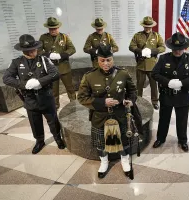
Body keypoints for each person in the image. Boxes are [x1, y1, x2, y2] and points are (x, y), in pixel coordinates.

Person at [77, 44, 137, 178]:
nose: (106, 63)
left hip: (120, 114)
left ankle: (125, 161)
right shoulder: (89, 76)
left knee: (123, 140)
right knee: (101, 143)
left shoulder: (123, 73)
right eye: (102, 60)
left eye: (109, 60)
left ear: (113, 59)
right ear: (97, 60)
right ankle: (104, 162)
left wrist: (131, 100)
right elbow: (81, 97)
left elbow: (132, 91)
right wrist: (102, 102)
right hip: (99, 116)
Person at [2, 34, 65, 154]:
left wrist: (39, 82)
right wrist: (23, 84)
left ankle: (58, 138)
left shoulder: (44, 60)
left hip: (46, 97)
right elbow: (6, 78)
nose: (32, 52)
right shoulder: (16, 63)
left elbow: (55, 74)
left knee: (53, 121)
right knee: (35, 123)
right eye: (28, 51)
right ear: (23, 51)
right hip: (30, 99)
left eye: (34, 49)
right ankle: (40, 141)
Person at [151, 32, 189, 152]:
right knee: (164, 119)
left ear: (184, 48)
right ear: (171, 47)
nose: (178, 51)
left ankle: (183, 140)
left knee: (182, 120)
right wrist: (168, 82)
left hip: (183, 95)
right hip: (166, 95)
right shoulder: (163, 58)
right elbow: (155, 74)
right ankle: (160, 138)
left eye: (180, 49)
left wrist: (182, 83)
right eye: (175, 49)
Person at [38, 17, 76, 109]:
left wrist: (61, 55)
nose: (53, 30)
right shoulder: (43, 37)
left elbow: (72, 49)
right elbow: (38, 50)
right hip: (51, 68)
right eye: (51, 28)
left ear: (58, 27)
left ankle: (73, 103)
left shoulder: (64, 37)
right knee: (53, 90)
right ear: (48, 28)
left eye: (55, 28)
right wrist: (48, 55)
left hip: (64, 67)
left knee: (70, 88)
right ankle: (55, 106)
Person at [129, 16, 165, 110]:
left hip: (152, 65)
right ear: (143, 26)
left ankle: (155, 101)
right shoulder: (138, 35)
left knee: (154, 85)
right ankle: (138, 100)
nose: (147, 28)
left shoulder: (156, 36)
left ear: (152, 26)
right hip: (141, 64)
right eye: (146, 26)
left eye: (149, 26)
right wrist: (138, 51)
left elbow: (162, 47)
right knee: (139, 85)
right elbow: (131, 46)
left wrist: (153, 51)